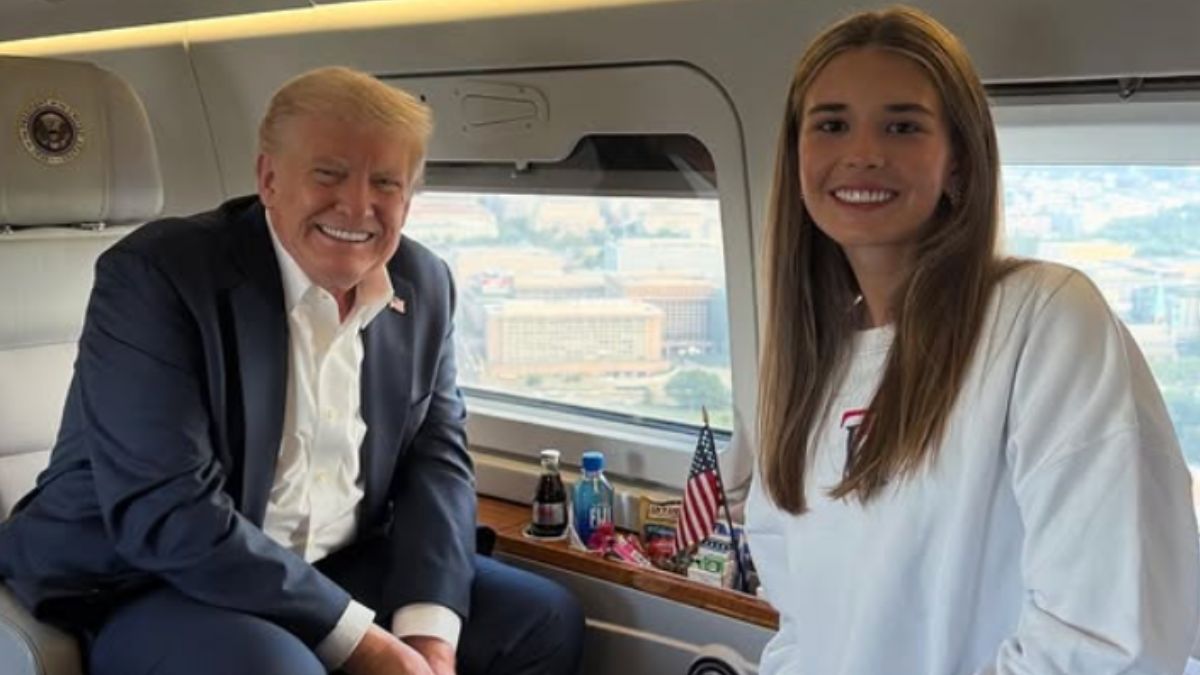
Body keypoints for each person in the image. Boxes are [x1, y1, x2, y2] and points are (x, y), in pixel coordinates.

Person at [0, 66, 584, 675]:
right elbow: (167, 511)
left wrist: (428, 637)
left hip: (335, 561)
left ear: (409, 199)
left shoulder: (424, 283)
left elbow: (436, 466)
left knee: (543, 621)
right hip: (154, 575)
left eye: (385, 182)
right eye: (329, 174)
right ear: (269, 179)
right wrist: (370, 647)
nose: (357, 206)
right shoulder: (159, 275)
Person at [744, 6, 1200, 674]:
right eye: (832, 124)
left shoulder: (1043, 321)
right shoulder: (806, 368)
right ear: (797, 156)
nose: (863, 152)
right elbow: (802, 628)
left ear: (958, 162)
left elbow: (1107, 639)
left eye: (902, 126)